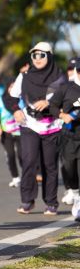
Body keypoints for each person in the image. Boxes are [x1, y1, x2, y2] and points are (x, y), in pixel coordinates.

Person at [5, 42, 65, 215]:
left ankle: (51, 202)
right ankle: (27, 201)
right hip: (29, 123)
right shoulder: (24, 76)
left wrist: (49, 102)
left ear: (50, 56)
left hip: (52, 125)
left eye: (42, 55)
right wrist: (16, 110)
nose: (37, 59)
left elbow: (68, 98)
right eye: (34, 55)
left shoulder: (60, 78)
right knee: (29, 161)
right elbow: (10, 97)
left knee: (50, 165)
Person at [49, 58, 80, 222]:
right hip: (69, 136)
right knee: (70, 169)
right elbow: (52, 106)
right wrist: (62, 115)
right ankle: (75, 194)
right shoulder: (66, 88)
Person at [0, 79, 22, 188]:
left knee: (22, 155)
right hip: (6, 132)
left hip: (20, 131)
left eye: (15, 87)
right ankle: (15, 177)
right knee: (10, 155)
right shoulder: (1, 100)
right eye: (11, 87)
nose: (13, 89)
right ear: (7, 88)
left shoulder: (21, 99)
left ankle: (28, 175)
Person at [61, 57, 79, 205]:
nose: (72, 72)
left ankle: (75, 192)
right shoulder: (62, 86)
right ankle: (70, 189)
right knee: (67, 164)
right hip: (62, 131)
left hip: (76, 132)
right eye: (70, 69)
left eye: (76, 69)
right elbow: (52, 104)